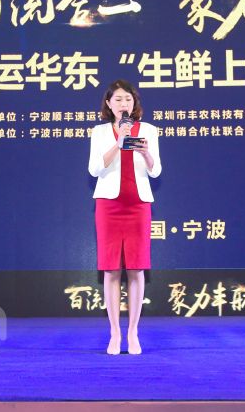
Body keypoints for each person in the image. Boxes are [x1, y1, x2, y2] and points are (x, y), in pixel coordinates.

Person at [88, 79, 162, 355]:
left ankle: (133, 332)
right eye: (118, 99)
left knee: (136, 268)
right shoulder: (99, 132)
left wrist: (145, 153)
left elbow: (156, 171)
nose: (123, 104)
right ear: (109, 103)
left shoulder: (149, 130)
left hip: (138, 204)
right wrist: (118, 142)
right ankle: (114, 333)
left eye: (128, 99)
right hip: (109, 204)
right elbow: (95, 169)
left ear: (134, 103)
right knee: (111, 269)